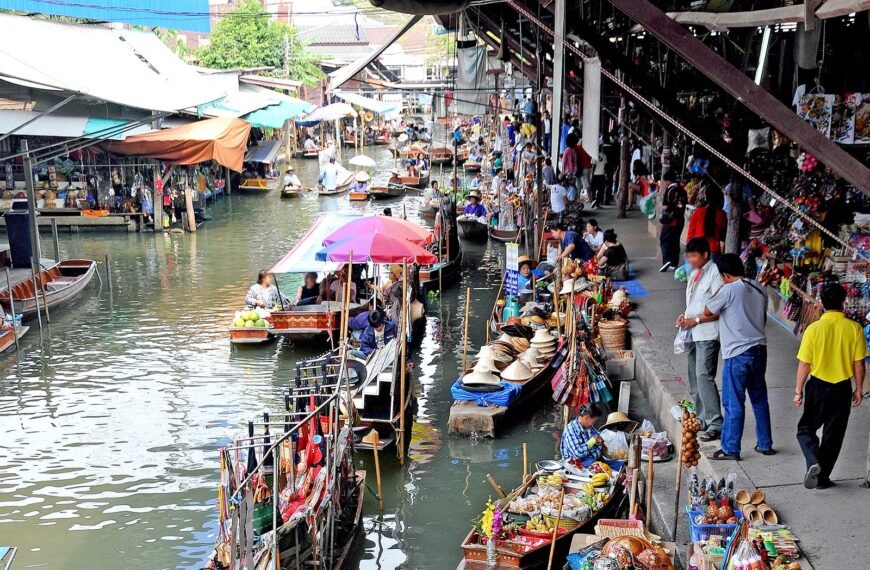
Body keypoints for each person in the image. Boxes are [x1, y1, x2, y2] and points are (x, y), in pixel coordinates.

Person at [701, 254, 773, 461]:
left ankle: (730, 448)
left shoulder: (729, 289)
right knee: (760, 399)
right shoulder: (760, 288)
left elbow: (707, 310)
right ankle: (765, 444)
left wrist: (720, 288)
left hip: (737, 353)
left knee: (733, 403)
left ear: (725, 274)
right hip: (760, 349)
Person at [794, 283, 866, 489]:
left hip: (817, 386)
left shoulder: (814, 329)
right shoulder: (854, 328)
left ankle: (813, 461)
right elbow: (859, 364)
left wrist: (798, 390)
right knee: (833, 435)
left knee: (806, 429)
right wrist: (858, 388)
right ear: (843, 302)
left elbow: (805, 364)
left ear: (822, 303)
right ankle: (822, 479)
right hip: (841, 388)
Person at [676, 238, 724, 441]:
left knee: (704, 376)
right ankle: (702, 417)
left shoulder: (715, 274)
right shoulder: (695, 274)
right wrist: (684, 317)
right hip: (693, 333)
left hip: (708, 333)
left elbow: (718, 309)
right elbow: (694, 303)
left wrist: (695, 320)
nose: (690, 259)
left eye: (694, 255)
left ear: (705, 255)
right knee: (694, 377)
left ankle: (715, 423)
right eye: (689, 256)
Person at [687, 185, 727, 260]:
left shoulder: (698, 212)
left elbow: (690, 234)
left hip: (697, 250)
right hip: (714, 251)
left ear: (706, 198)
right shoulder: (722, 214)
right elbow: (722, 240)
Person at [659, 171, 687, 272]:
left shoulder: (670, 190)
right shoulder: (682, 190)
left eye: (665, 181)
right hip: (680, 220)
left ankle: (667, 260)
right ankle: (674, 262)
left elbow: (666, 206)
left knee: (664, 240)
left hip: (671, 220)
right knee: (675, 241)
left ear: (668, 181)